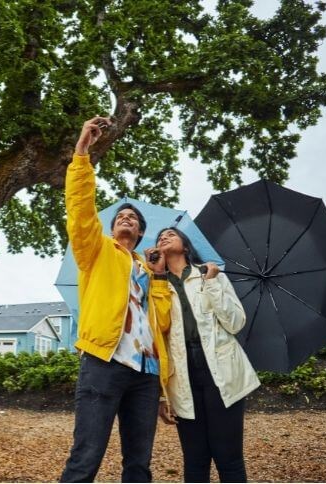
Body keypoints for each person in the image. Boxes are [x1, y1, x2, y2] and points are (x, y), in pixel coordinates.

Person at [60, 117, 172, 483]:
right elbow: (80, 212)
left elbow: (164, 323)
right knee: (86, 455)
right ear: (112, 228)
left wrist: (157, 278)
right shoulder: (97, 251)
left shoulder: (148, 268)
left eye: (132, 218)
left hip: (146, 373)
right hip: (104, 361)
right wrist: (82, 155)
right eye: (120, 216)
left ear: (140, 232)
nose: (125, 219)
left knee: (139, 464)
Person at [155, 226, 260, 483]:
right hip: (182, 379)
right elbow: (156, 335)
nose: (164, 237)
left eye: (171, 234)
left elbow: (235, 323)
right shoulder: (155, 285)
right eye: (160, 237)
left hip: (222, 372)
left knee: (229, 458)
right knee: (195, 460)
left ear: (186, 246)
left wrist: (212, 283)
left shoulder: (212, 275)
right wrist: (162, 394)